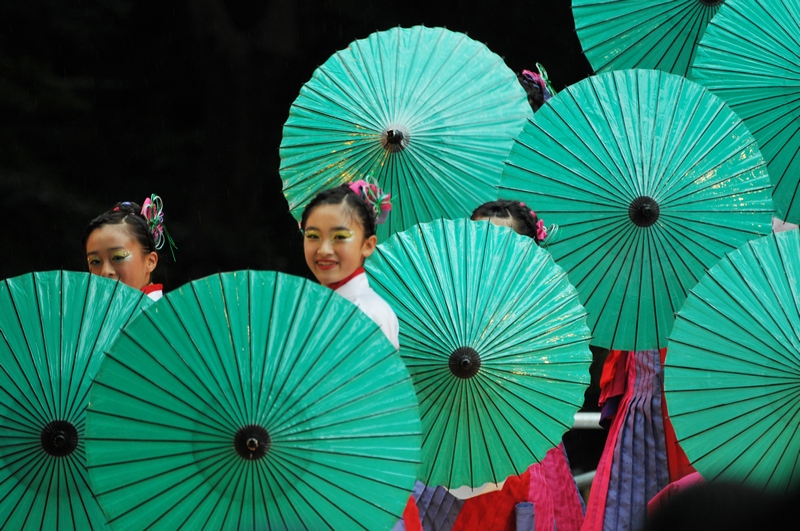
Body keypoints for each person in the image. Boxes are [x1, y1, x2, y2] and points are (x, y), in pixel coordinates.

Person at [300, 178, 399, 349]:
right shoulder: (307, 306)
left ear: (368, 245)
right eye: (313, 236)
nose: (323, 250)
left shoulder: (368, 313)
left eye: (339, 237)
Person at [82, 194, 175, 301]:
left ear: (150, 261)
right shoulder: (89, 314)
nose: (105, 272)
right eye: (95, 261)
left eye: (118, 257)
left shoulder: (161, 315)